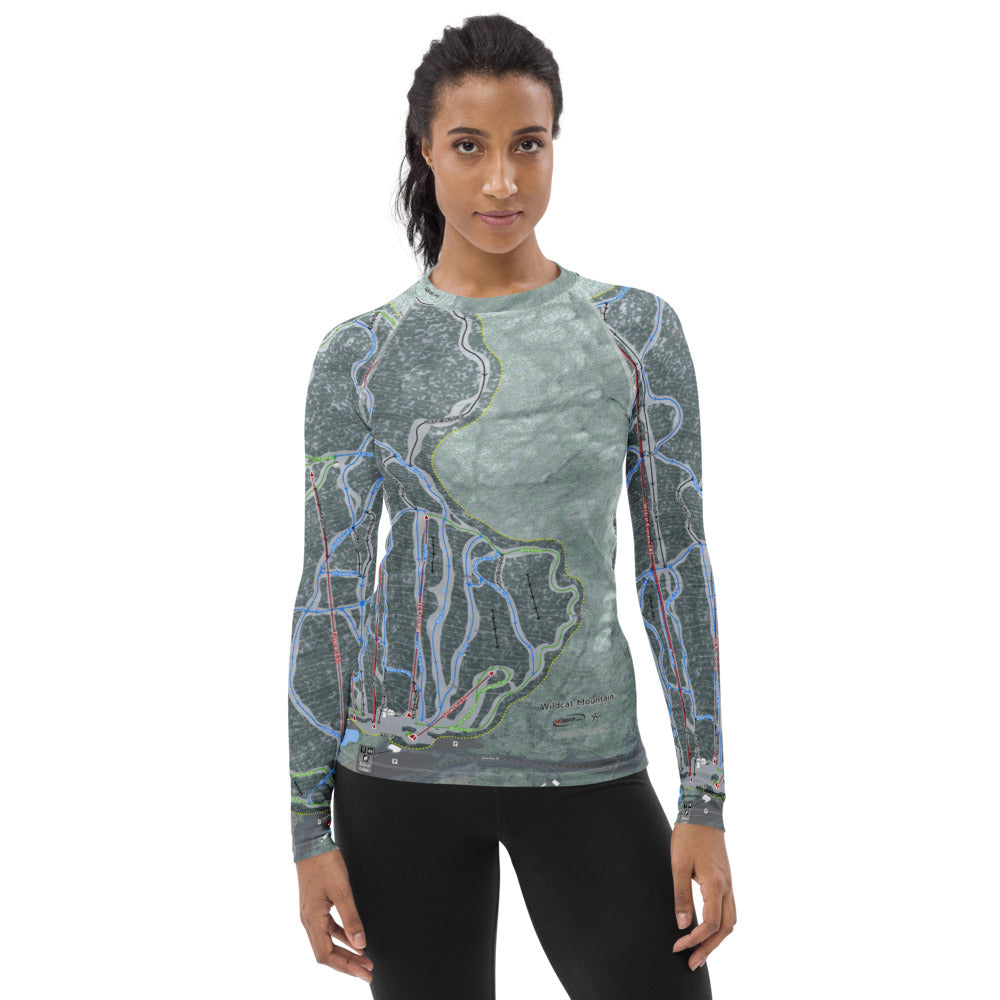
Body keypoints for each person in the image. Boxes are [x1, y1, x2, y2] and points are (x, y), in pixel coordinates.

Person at [288, 14, 736, 999]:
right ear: (424, 150)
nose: (501, 181)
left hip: (589, 768)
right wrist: (306, 829)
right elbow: (330, 593)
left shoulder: (634, 332)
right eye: (469, 147)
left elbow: (674, 567)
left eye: (527, 144)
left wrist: (702, 797)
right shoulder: (360, 355)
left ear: (554, 143)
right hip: (395, 783)